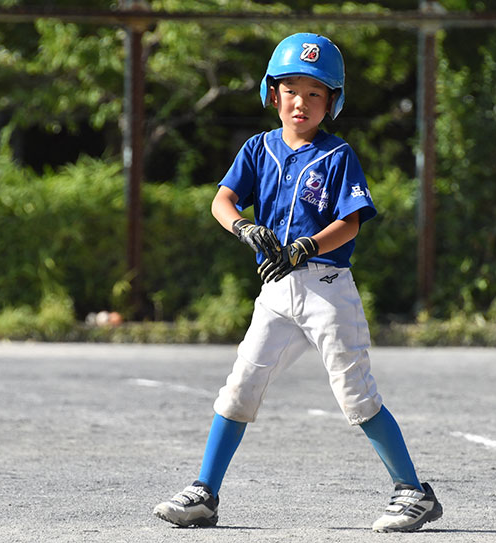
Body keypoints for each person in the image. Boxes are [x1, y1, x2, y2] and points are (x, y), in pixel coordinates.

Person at [152, 33, 443, 532]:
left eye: (315, 93)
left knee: (356, 394)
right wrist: (243, 226)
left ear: (332, 102)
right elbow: (222, 201)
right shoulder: (257, 148)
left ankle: (413, 492)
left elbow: (351, 222)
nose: (301, 102)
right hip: (276, 291)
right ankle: (205, 491)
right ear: (272, 94)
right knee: (240, 387)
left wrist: (307, 245)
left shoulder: (337, 155)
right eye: (290, 90)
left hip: (327, 286)